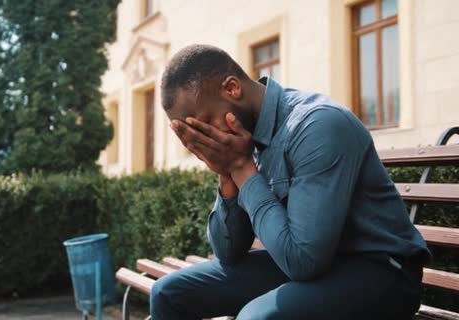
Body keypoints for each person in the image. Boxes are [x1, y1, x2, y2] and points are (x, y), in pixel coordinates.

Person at [151, 44, 430, 320]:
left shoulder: (317, 125)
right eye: (196, 135)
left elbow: (303, 261)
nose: (208, 139)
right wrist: (226, 174)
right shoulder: (242, 142)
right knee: (168, 293)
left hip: (381, 271)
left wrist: (241, 167)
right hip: (315, 265)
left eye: (205, 124)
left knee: (256, 318)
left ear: (232, 88)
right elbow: (228, 252)